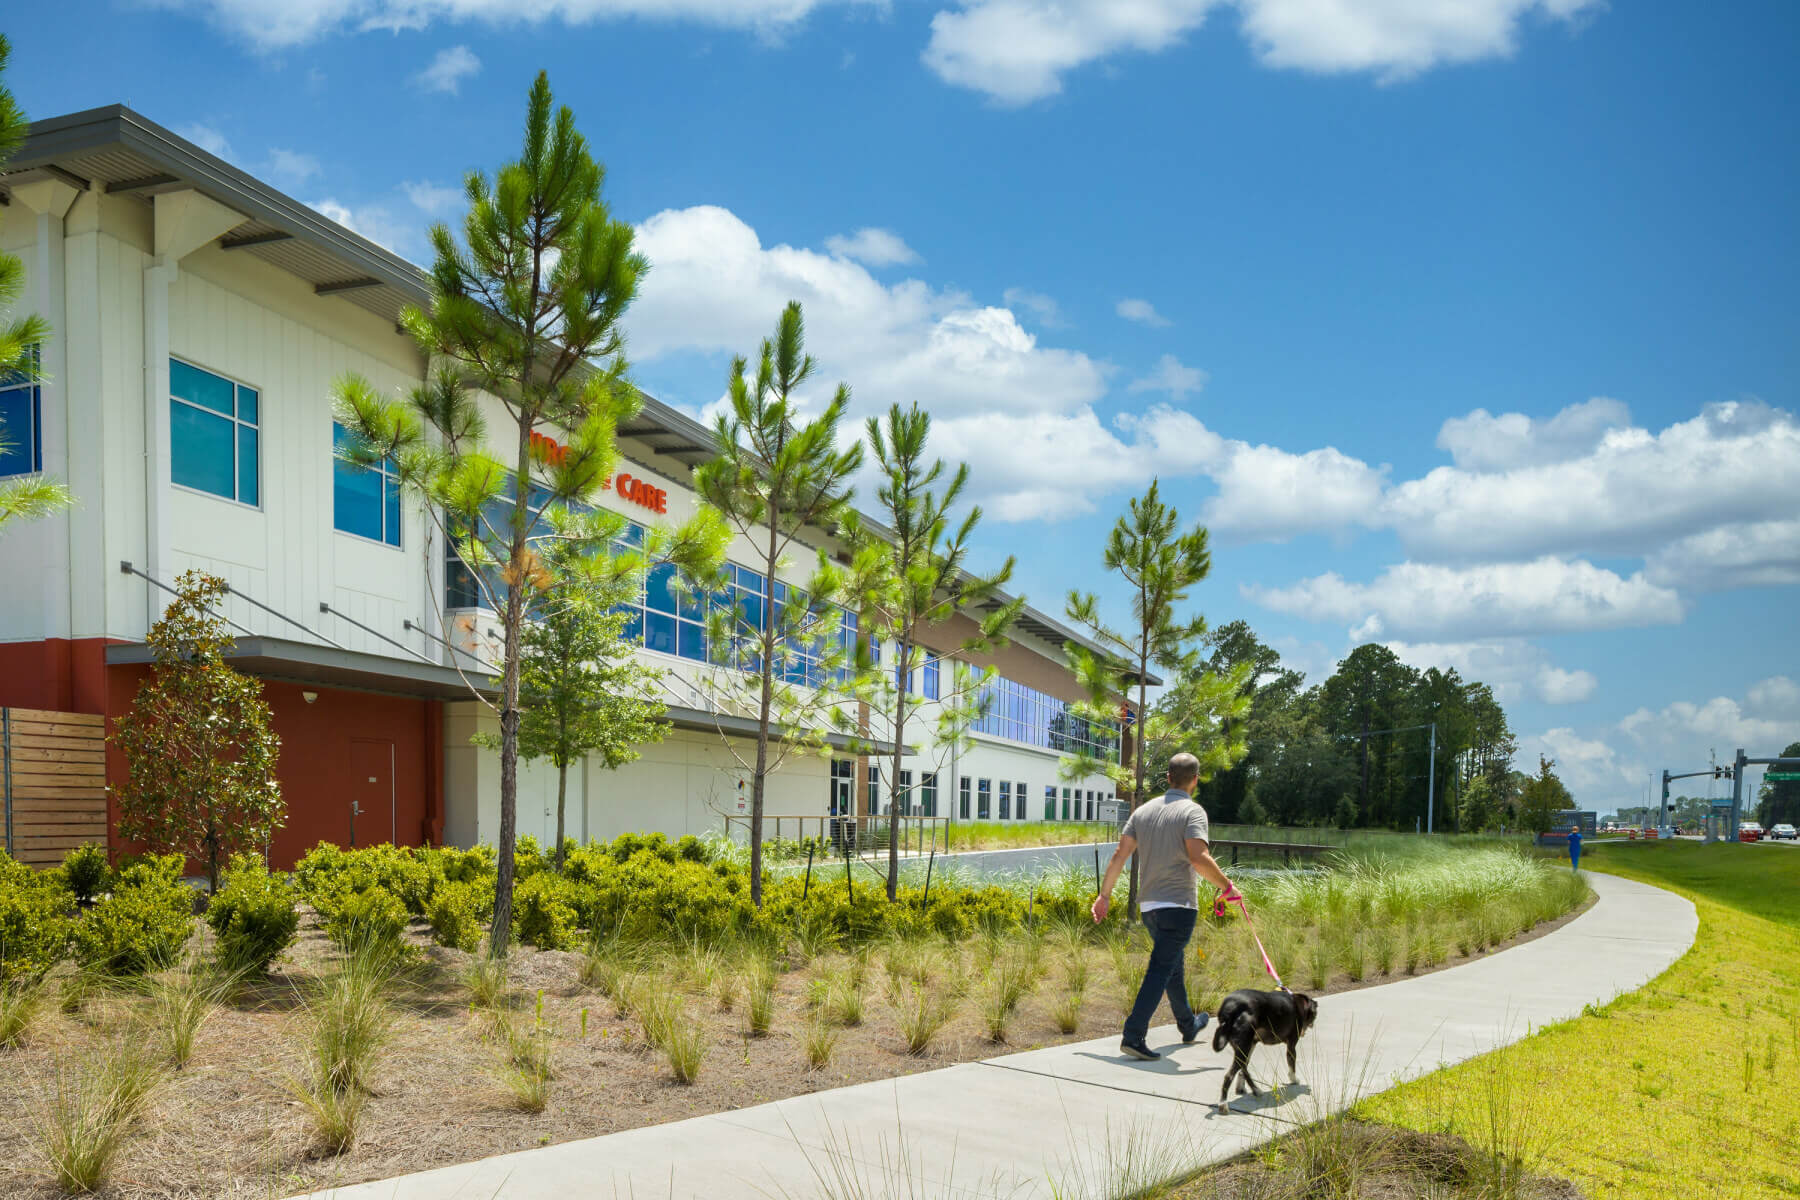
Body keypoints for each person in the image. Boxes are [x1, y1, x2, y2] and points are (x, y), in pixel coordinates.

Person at [1091, 751, 1238, 1061]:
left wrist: (1104, 896)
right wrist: (1226, 887)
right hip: (1179, 905)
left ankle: (1188, 1024)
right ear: (1195, 781)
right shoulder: (1193, 812)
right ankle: (1133, 1035)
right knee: (1161, 968)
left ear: (1168, 777)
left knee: (1172, 966)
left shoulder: (1142, 811)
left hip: (1150, 908)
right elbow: (1198, 858)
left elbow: (1120, 854)